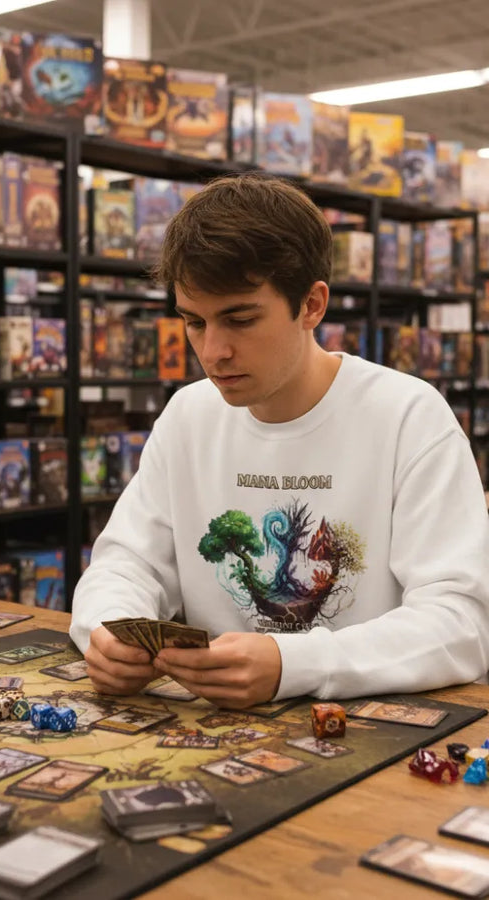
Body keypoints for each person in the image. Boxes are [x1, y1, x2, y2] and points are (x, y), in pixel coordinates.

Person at [70, 173, 489, 707]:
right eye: (193, 322)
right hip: (218, 740)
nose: (213, 350)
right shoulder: (188, 416)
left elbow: (461, 625)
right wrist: (107, 631)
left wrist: (295, 664)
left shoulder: (409, 417)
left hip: (372, 738)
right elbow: (127, 563)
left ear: (312, 305)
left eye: (239, 319)